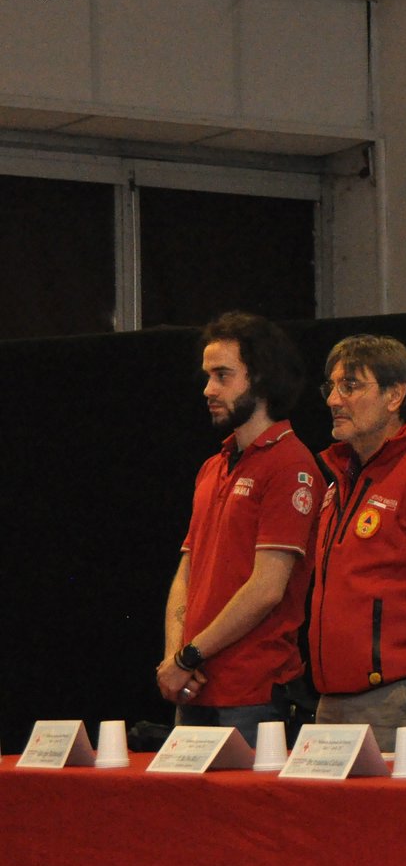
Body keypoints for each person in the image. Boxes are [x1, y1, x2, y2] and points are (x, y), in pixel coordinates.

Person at [157, 311, 324, 748]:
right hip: (194, 684)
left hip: (251, 693)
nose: (208, 389)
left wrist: (188, 655)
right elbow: (186, 573)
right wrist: (176, 659)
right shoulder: (214, 466)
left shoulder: (291, 465)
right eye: (208, 376)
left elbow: (267, 588)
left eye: (222, 375)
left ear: (262, 378)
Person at [308, 335, 406, 752]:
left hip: (401, 700)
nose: (334, 400)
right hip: (330, 702)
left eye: (351, 386)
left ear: (395, 395)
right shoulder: (340, 479)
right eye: (331, 387)